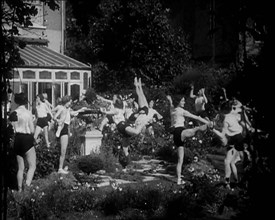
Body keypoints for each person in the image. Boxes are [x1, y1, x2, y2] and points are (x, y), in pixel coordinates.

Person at [166, 94, 210, 185]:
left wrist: (170, 100)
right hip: (180, 131)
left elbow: (171, 104)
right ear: (178, 102)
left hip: (175, 135)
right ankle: (210, 125)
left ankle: (178, 180)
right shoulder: (181, 111)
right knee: (197, 129)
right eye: (182, 101)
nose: (184, 102)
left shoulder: (172, 110)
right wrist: (208, 122)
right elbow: (197, 117)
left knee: (180, 160)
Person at [209, 100, 250, 188]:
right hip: (237, 138)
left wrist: (213, 130)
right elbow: (239, 106)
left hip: (236, 140)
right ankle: (236, 181)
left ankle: (229, 182)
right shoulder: (233, 113)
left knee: (228, 161)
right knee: (231, 162)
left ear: (223, 111)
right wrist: (235, 102)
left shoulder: (226, 120)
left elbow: (222, 135)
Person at [9, 93, 36, 192]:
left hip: (17, 139)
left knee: (20, 168)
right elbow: (32, 130)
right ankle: (27, 186)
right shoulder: (28, 113)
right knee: (32, 165)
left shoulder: (13, 113)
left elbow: (11, 128)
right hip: (26, 138)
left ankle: (19, 189)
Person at [53, 95, 87, 174]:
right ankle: (60, 168)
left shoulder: (67, 109)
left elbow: (73, 113)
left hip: (65, 128)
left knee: (63, 150)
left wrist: (81, 110)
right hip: (63, 127)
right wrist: (57, 121)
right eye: (69, 102)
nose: (70, 104)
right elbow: (54, 115)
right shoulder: (62, 108)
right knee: (63, 150)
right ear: (66, 102)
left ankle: (61, 166)